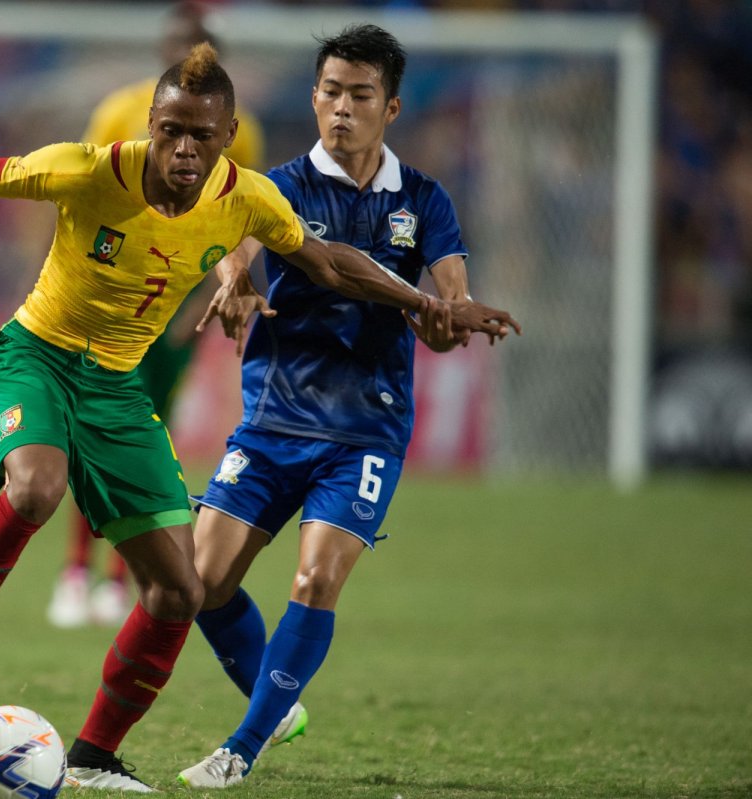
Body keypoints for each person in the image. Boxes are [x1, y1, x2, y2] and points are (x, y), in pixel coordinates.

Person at [0, 43, 517, 793]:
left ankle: (93, 756)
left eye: (201, 137)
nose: (183, 149)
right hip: (37, 355)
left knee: (180, 591)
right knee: (38, 487)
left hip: (116, 388)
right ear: (149, 122)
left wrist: (427, 302)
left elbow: (331, 260)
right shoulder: (86, 170)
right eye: (170, 130)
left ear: (227, 139)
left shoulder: (248, 196)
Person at [177, 24, 515, 789]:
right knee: (199, 584)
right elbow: (238, 247)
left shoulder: (425, 200)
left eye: (360, 95)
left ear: (390, 107)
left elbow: (450, 306)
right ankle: (276, 699)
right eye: (330, 91)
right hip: (273, 418)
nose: (341, 108)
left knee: (314, 581)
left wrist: (447, 320)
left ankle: (243, 745)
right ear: (314, 97)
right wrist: (234, 282)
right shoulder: (283, 184)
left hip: (365, 427)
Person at [47, 0, 267, 630]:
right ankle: (73, 572)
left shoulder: (240, 130)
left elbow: (240, 221)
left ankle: (118, 580)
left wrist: (198, 301)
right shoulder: (120, 110)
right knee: (87, 432)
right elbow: (78, 198)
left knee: (146, 434)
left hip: (172, 313)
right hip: (104, 304)